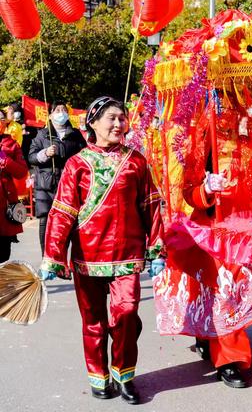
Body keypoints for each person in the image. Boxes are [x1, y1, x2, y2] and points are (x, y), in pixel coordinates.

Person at [39, 96, 166, 404]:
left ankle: (125, 376)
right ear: (93, 123)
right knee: (93, 321)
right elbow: (63, 212)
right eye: (111, 118)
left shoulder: (137, 161)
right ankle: (99, 378)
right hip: (88, 255)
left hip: (127, 254)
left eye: (122, 118)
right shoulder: (77, 164)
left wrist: (157, 249)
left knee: (125, 315)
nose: (118, 124)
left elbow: (151, 207)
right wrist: (52, 255)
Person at [28, 101, 86, 255]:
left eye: (64, 110)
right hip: (45, 185)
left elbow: (86, 155)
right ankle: (46, 256)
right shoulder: (42, 135)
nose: (61, 113)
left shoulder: (75, 135)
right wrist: (45, 153)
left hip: (68, 183)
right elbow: (31, 157)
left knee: (67, 220)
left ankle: (60, 258)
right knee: (45, 220)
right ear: (51, 114)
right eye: (57, 110)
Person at [0, 108, 28, 262]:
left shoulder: (11, 144)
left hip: (4, 206)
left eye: (1, 118)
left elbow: (21, 172)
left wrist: (4, 159)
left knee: (3, 255)